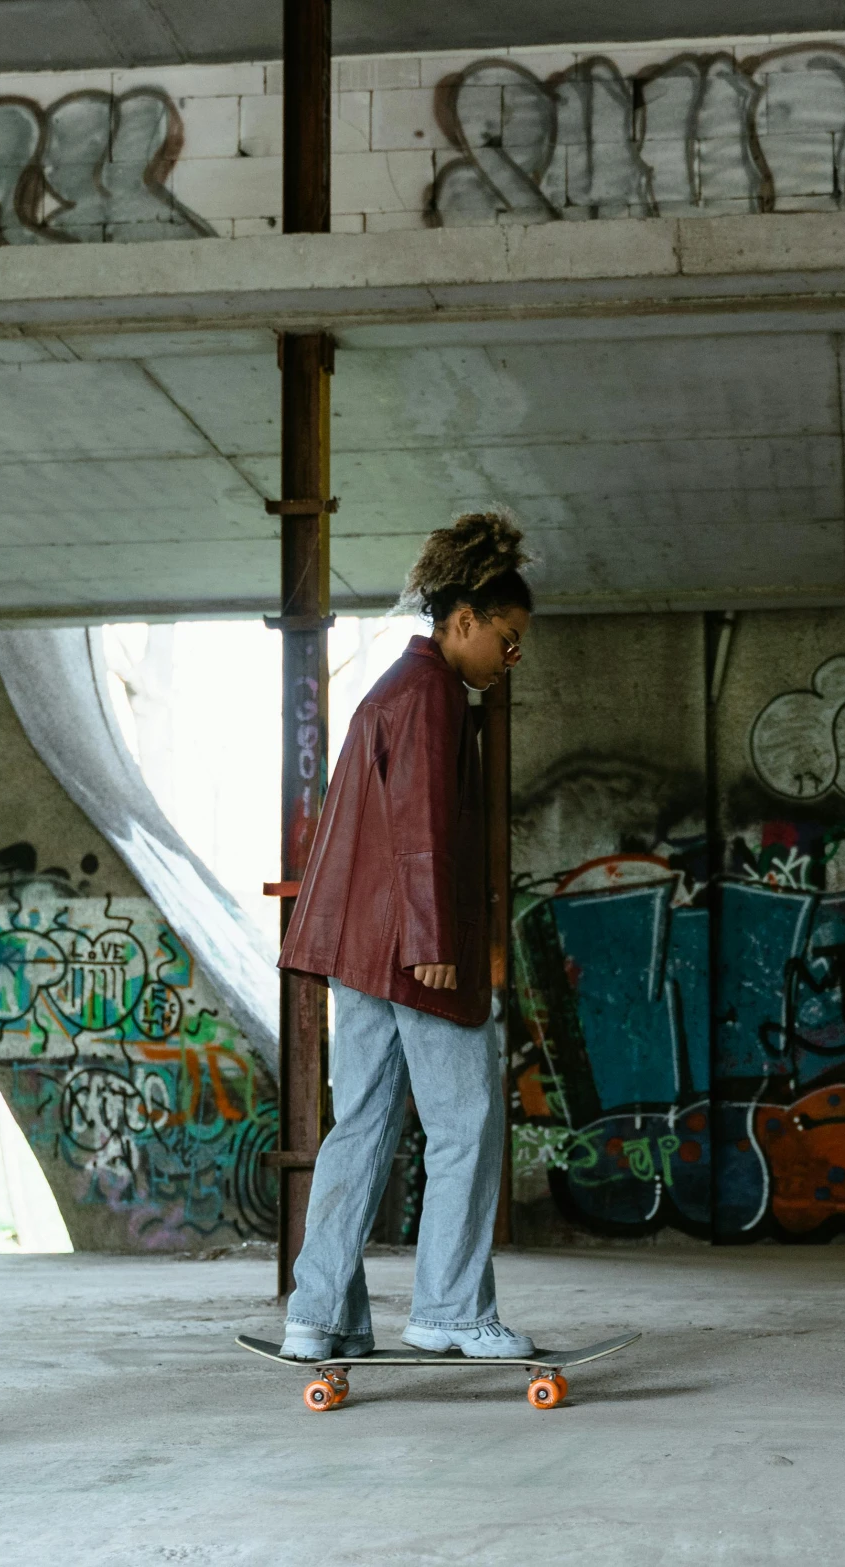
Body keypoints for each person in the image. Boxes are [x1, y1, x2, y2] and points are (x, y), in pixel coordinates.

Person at [276, 512, 535, 1360]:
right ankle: (451, 1311)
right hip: (414, 948)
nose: (511, 658)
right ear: (464, 620)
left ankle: (321, 1314)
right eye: (505, 637)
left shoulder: (392, 686)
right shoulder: (429, 698)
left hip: (361, 953)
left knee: (361, 1126)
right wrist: (432, 933)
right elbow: (421, 826)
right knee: (465, 1125)